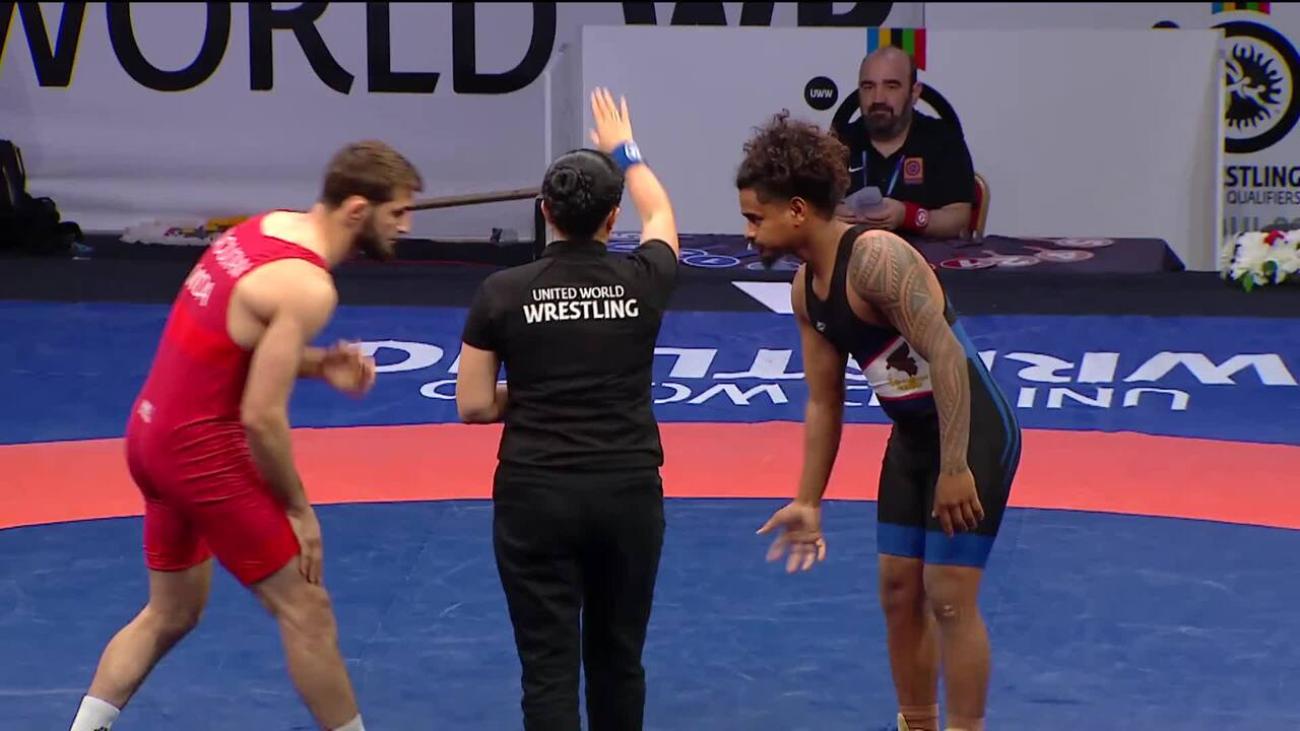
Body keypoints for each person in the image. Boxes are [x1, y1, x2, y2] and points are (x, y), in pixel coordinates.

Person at [67, 140, 424, 731]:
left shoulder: (264, 229)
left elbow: (229, 339)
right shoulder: (308, 287)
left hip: (150, 435)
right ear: (358, 210)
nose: (405, 227)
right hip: (199, 453)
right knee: (307, 609)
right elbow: (262, 416)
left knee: (172, 611)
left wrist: (318, 364)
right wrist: (299, 509)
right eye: (398, 213)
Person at [739, 112, 1020, 731]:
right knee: (897, 589)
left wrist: (955, 467)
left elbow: (945, 353)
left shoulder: (876, 259)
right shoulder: (806, 290)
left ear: (796, 210)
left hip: (971, 429)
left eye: (756, 218)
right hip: (914, 437)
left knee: (949, 596)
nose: (748, 232)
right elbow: (824, 401)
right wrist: (808, 500)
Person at [455, 88, 679, 731]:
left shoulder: (500, 292)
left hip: (536, 496)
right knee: (618, 659)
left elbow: (474, 405)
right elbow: (661, 212)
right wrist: (625, 150)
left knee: (548, 667)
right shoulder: (643, 280)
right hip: (626, 493)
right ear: (613, 217)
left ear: (545, 212)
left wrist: (542, 391)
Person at [837, 46, 975, 240]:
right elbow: (808, 211)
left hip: (924, 256)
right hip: (854, 254)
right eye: (868, 87)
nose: (878, 98)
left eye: (891, 86)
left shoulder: (943, 139)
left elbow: (959, 219)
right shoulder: (837, 143)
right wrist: (828, 216)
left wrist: (908, 217)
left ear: (915, 92)